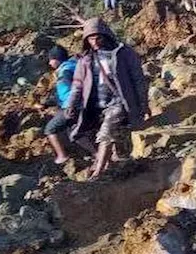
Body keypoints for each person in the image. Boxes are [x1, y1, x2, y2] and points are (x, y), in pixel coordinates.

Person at [63, 18, 148, 179]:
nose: (94, 41)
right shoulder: (85, 59)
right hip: (94, 105)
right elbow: (78, 85)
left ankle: (99, 171)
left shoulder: (123, 53)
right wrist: (71, 104)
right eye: (91, 38)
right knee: (81, 133)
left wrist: (143, 103)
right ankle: (111, 162)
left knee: (106, 133)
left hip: (118, 102)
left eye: (98, 37)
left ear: (106, 35)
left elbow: (138, 79)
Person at [43, 45, 84, 165]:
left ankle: (62, 156)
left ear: (56, 59)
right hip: (81, 104)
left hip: (71, 107)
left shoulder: (65, 71)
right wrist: (47, 103)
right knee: (74, 133)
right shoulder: (74, 66)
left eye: (51, 59)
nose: (50, 63)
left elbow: (66, 91)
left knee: (50, 129)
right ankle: (96, 154)